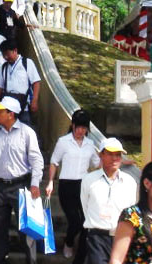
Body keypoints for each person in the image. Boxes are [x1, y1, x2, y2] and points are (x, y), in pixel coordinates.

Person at [0, 96, 44, 264]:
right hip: (1, 185)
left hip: (21, 184)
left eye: (0, 111)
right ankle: (0, 259)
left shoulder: (27, 132)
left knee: (26, 227)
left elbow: (36, 160)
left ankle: (30, 261)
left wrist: (35, 184)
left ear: (11, 114)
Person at [46, 109, 100, 261]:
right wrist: (50, 181)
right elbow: (54, 162)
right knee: (75, 220)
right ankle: (68, 242)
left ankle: (80, 255)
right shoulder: (63, 142)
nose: (81, 131)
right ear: (73, 125)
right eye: (79, 127)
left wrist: (119, 162)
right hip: (66, 186)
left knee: (85, 222)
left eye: (84, 128)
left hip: (83, 186)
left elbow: (98, 163)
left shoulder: (90, 144)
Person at [81, 137, 137, 264]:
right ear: (101, 155)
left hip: (122, 237)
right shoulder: (89, 180)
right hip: (97, 237)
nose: (114, 158)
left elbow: (131, 211)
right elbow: (85, 206)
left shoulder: (129, 182)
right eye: (110, 154)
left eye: (118, 155)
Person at [0, 39, 41, 126]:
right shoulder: (4, 67)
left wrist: (34, 100)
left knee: (24, 128)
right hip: (7, 105)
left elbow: (36, 82)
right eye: (4, 55)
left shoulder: (27, 63)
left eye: (7, 54)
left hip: (23, 105)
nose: (6, 57)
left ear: (15, 50)